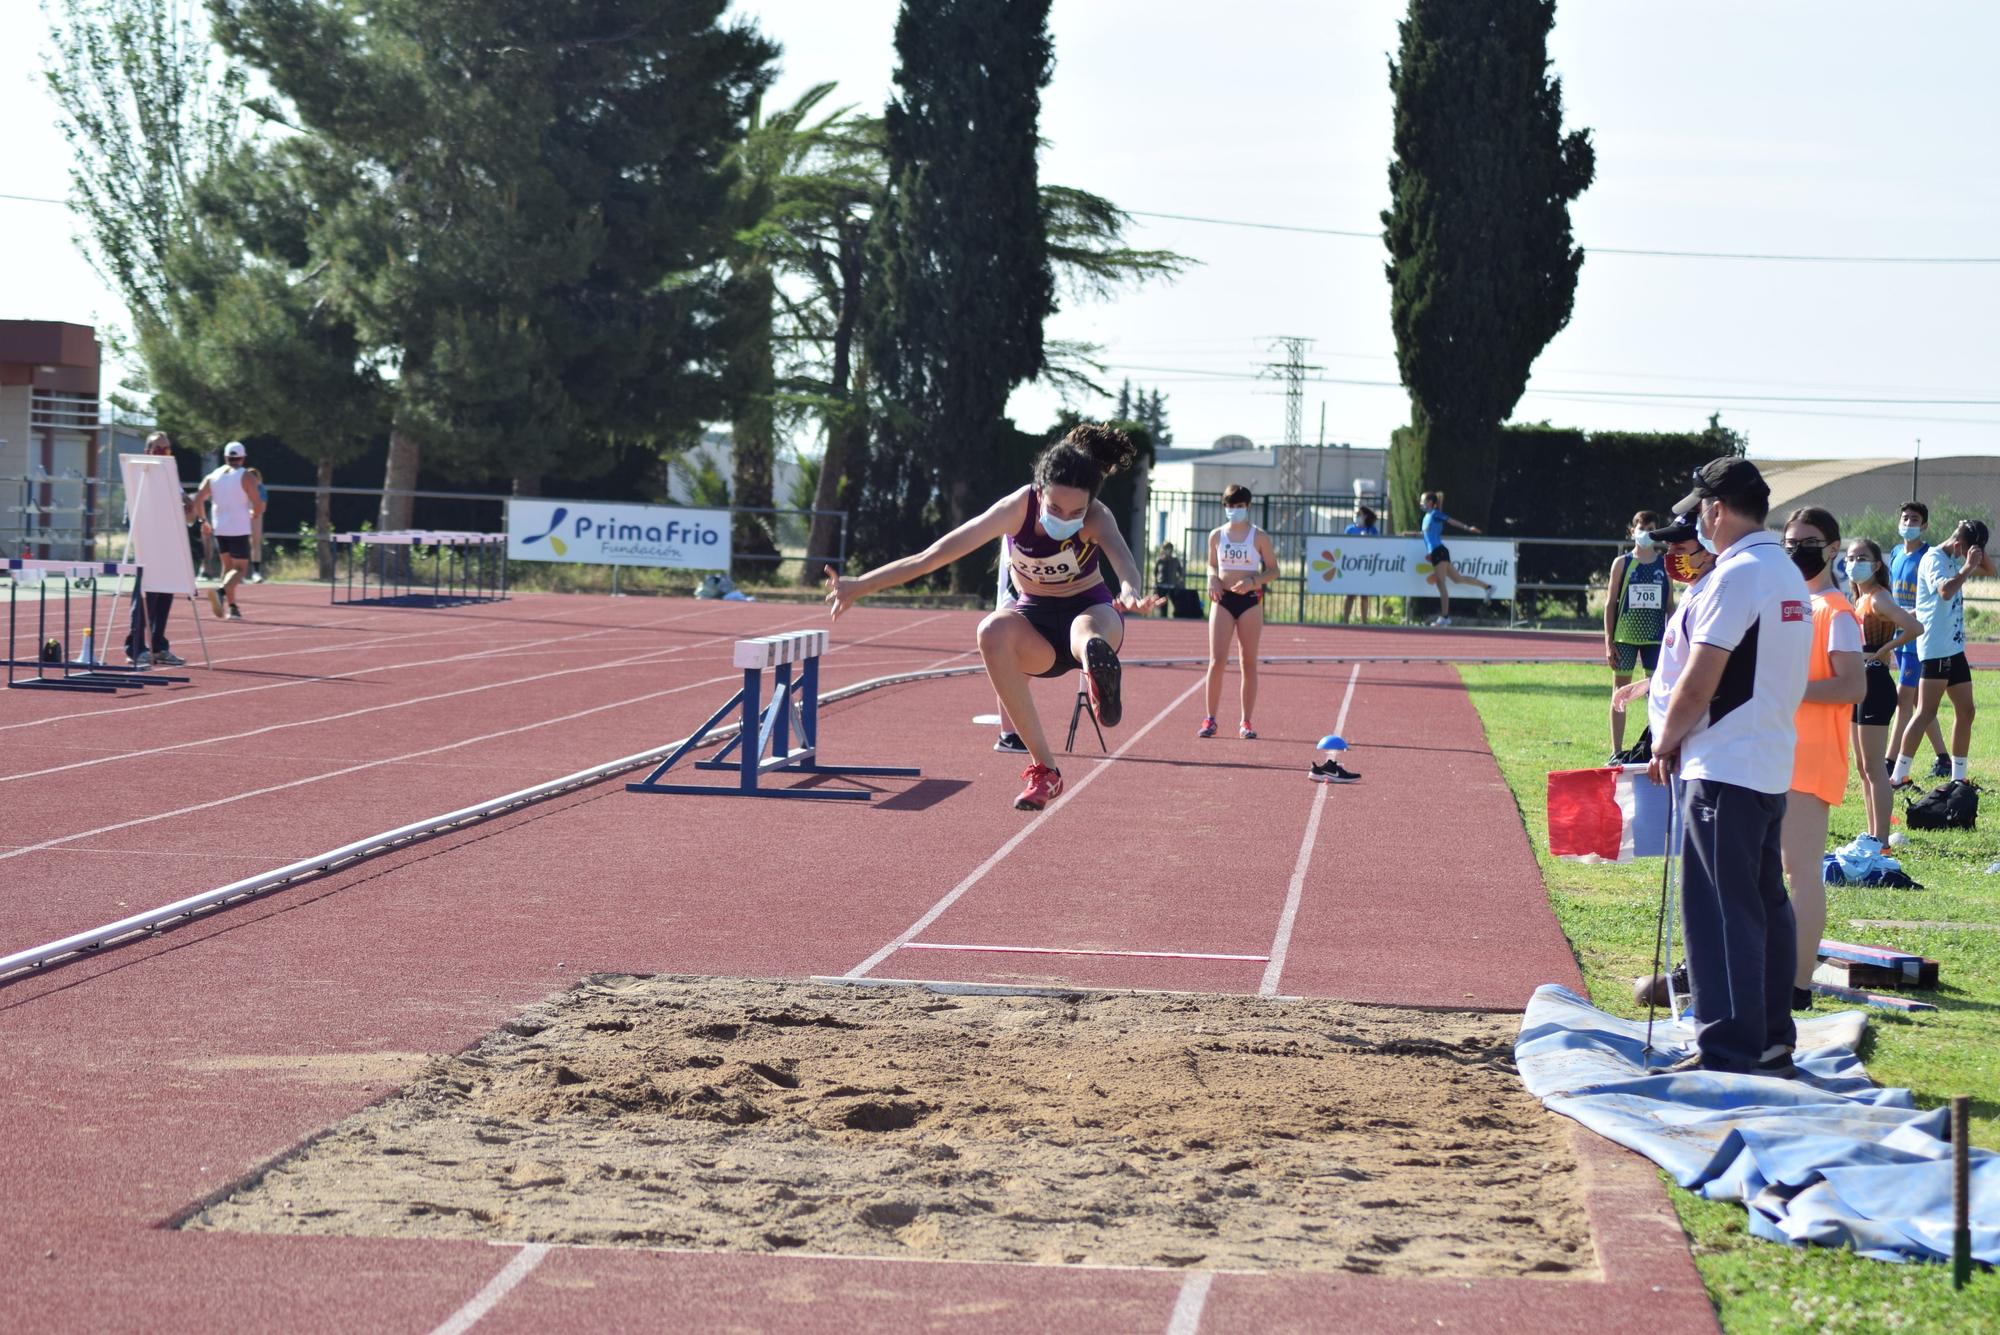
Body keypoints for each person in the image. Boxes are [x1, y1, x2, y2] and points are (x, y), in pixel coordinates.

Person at [824, 424, 1160, 811]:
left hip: (1093, 611)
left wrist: (1130, 594)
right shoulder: (1016, 508)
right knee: (991, 629)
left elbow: (1126, 564)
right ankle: (1045, 770)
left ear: (1089, 504)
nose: (1064, 518)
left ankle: (1097, 670)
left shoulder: (1098, 517)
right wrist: (859, 585)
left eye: (1075, 512)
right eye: (1054, 508)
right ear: (1039, 490)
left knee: (1082, 629)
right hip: (1033, 625)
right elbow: (933, 556)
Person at [1650, 458, 1811, 1076]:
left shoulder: (1738, 575)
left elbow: (1702, 675)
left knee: (1720, 909)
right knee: (1765, 903)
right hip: (1764, 760)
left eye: (1701, 510)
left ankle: (1727, 1044)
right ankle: (1769, 1037)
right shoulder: (1784, 573)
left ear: (1717, 509)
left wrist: (1663, 742)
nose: (1699, 520)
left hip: (1724, 763)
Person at [1777, 507, 1866, 1014]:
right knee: (1770, 869)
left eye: (1807, 541)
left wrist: (1790, 690)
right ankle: (1776, 972)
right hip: (1773, 750)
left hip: (1809, 758)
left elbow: (1853, 685)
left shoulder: (1837, 611)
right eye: (1789, 540)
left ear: (1832, 548)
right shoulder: (1791, 602)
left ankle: (1798, 984)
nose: (1795, 549)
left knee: (1801, 871)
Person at [1891, 517, 1996, 787]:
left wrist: (1975, 555)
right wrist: (1968, 566)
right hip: (1936, 648)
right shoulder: (1934, 559)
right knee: (1925, 711)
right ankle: (1899, 775)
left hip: (1954, 648)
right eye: (1969, 549)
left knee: (1967, 711)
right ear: (1960, 544)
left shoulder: (1955, 556)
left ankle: (1959, 778)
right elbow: (1945, 591)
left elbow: (1990, 570)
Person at [1842, 537, 1921, 860]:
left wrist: (1882, 653)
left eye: (1862, 557)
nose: (1854, 562)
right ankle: (1872, 834)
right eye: (1850, 557)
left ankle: (1882, 841)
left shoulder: (1877, 598)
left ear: (1876, 565)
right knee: (1862, 766)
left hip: (1875, 684)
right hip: (1857, 682)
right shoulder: (1857, 597)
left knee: (1874, 767)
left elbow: (1914, 627)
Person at [1198, 485, 1278, 739]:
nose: (1234, 511)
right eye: (1230, 506)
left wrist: (1253, 582)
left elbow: (1274, 570)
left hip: (1250, 602)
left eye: (1239, 506)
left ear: (1248, 507)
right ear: (1225, 507)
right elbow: (1211, 565)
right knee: (1216, 660)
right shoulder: (1216, 535)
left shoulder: (1259, 537)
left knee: (1248, 662)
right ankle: (1210, 719)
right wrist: (1211, 578)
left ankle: (1246, 721)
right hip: (1222, 600)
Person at [1888, 502, 1950, 778]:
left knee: (1904, 699)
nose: (1909, 523)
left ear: (1924, 526)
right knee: (1918, 705)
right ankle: (1943, 757)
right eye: (1905, 518)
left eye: (1915, 519)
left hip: (1918, 637)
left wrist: (1909, 615)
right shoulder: (1894, 554)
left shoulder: (1929, 556)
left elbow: (1934, 598)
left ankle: (1890, 762)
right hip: (1898, 636)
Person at [122, 432, 193, 668]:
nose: (163, 454)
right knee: (144, 601)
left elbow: (189, 517)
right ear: (147, 452)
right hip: (148, 551)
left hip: (169, 550)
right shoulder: (138, 479)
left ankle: (159, 647)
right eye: (158, 449)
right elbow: (129, 520)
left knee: (164, 598)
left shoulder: (172, 478)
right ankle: (136, 648)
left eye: (167, 450)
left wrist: (190, 506)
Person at [1604, 510, 1670, 757]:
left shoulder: (1664, 563)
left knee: (1658, 693)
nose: (1645, 534)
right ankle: (1616, 751)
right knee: (1620, 693)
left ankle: (1656, 748)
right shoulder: (1622, 563)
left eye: (1650, 529)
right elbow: (1610, 603)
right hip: (1625, 638)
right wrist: (1608, 642)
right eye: (1640, 529)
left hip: (1655, 639)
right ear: (1632, 532)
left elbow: (1670, 605)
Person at [194, 441, 264, 619]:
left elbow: (198, 499)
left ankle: (233, 608)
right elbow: (257, 502)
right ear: (243, 457)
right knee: (240, 570)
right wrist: (255, 514)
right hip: (239, 527)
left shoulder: (213, 476)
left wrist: (204, 521)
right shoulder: (246, 476)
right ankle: (220, 592)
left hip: (220, 527)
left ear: (226, 457)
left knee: (228, 568)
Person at [1404, 490, 1493, 627]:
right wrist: (1411, 534)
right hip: (1436, 553)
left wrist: (1468, 528)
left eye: (1423, 500)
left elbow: (1451, 521)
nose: (1421, 503)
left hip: (1439, 552)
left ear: (1431, 503)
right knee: (1458, 579)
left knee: (1441, 583)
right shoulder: (1426, 518)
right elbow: (1425, 534)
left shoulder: (1435, 514)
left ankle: (1445, 617)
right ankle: (1487, 587)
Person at [1339, 505, 1380, 624]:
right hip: (1352, 565)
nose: (1356, 516)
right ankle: (1345, 620)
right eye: (1356, 514)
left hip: (1366, 565)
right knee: (1350, 594)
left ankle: (1364, 621)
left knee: (1364, 595)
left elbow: (1378, 542)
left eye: (1359, 514)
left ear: (1365, 516)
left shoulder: (1371, 529)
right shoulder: (1350, 529)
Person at [1151, 542, 1185, 618]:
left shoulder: (1175, 560)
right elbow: (1155, 573)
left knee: (1177, 605)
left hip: (1172, 586)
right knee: (1163, 607)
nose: (1167, 551)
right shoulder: (1159, 560)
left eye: (1169, 548)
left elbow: (1180, 573)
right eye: (1166, 548)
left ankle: (1176, 618)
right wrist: (1155, 583)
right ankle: (1163, 619)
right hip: (1161, 586)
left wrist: (1178, 581)